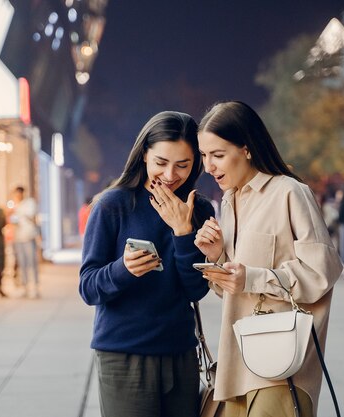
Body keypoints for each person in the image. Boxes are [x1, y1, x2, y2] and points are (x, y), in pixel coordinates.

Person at [194, 101, 342, 417]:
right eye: (205, 156)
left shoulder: (290, 192)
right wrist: (217, 256)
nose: (209, 166)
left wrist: (252, 277)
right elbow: (233, 289)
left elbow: (322, 272)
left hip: (282, 360)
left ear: (246, 149)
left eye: (217, 155)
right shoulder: (230, 200)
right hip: (237, 359)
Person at [79, 111, 215, 417]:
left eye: (183, 164)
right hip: (124, 356)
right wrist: (123, 270)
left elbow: (196, 290)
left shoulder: (199, 209)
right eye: (161, 163)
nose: (170, 175)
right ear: (144, 155)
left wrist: (183, 232)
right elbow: (88, 287)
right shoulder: (112, 205)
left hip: (181, 353)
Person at [11, 186, 39, 297]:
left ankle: (35, 287)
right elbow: (14, 221)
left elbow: (31, 217)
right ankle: (25, 287)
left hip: (29, 237)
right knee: (22, 263)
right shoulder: (15, 205)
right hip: (18, 238)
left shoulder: (29, 203)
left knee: (32, 262)